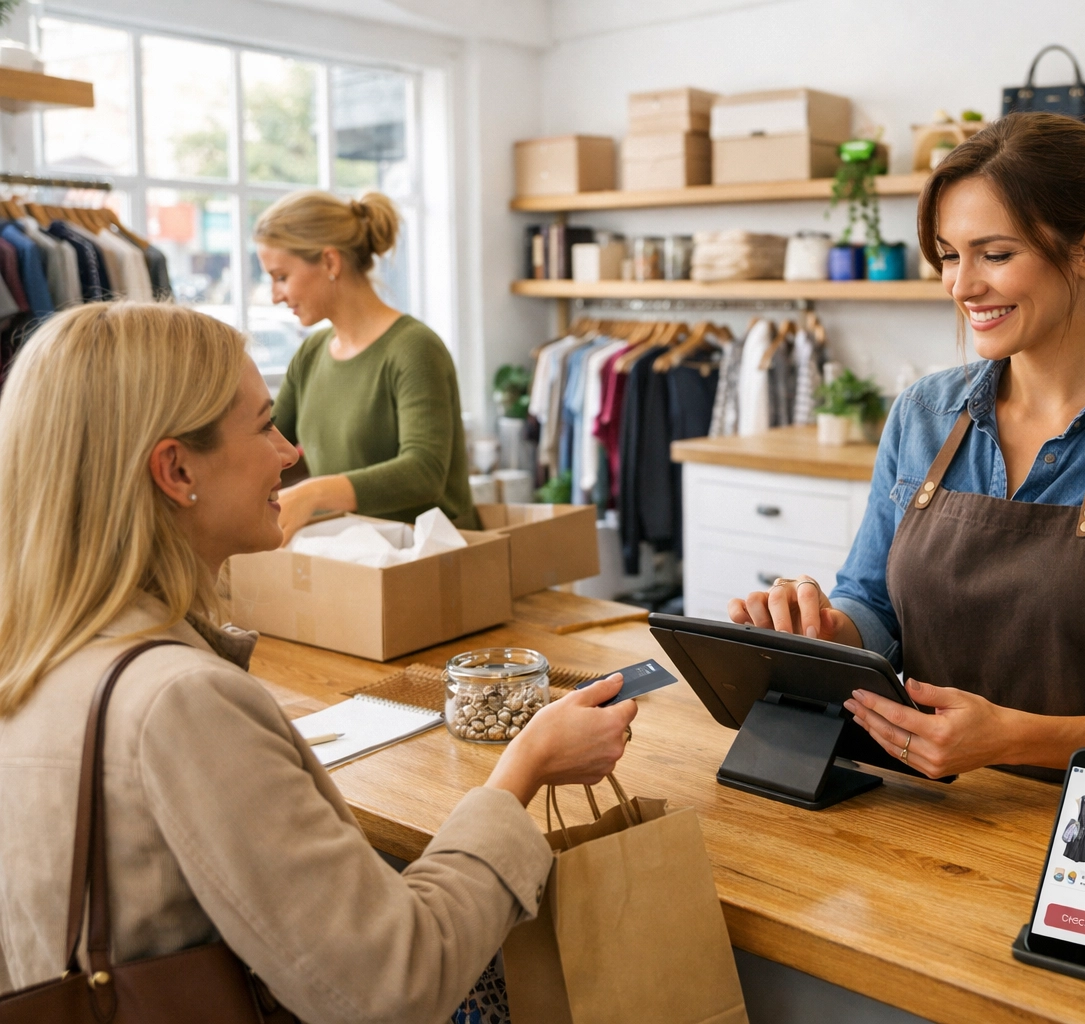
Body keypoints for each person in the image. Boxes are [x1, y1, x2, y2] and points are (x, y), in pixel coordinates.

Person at [0, 303, 639, 1022]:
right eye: (264, 426)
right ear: (176, 470)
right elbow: (394, 983)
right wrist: (524, 766)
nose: (289, 452)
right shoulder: (181, 702)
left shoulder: (34, 660)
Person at [728, 113, 1085, 802]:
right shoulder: (923, 415)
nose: (962, 286)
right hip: (938, 809)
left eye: (993, 254)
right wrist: (823, 629)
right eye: (949, 256)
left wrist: (1017, 738)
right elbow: (874, 603)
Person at [256, 189, 479, 542]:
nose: (274, 296)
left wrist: (313, 493)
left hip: (430, 557)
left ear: (330, 262)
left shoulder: (414, 349)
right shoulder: (311, 352)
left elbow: (424, 472)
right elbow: (268, 441)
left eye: (281, 277)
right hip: (354, 552)